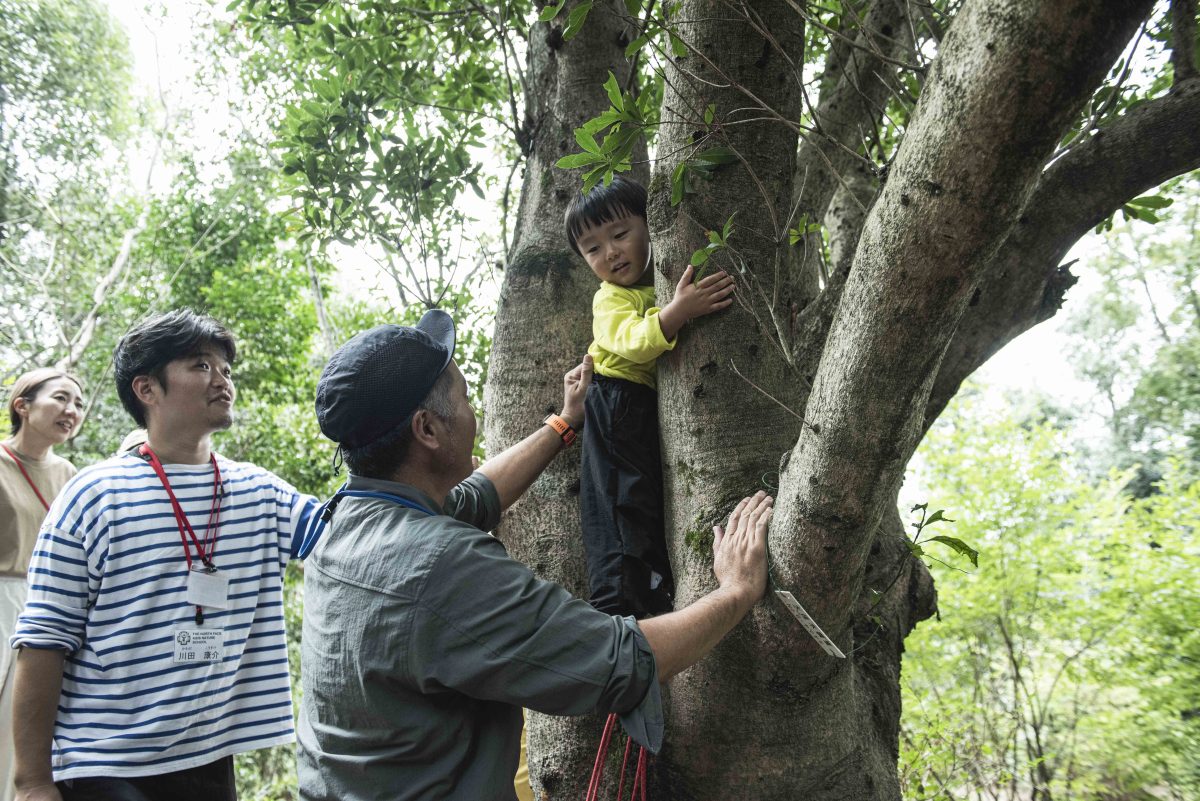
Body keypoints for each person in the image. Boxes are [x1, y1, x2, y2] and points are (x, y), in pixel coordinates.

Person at [295, 309, 772, 801]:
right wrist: (736, 591)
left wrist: (565, 424)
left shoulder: (344, 520)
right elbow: (619, 661)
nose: (471, 413)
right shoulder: (440, 566)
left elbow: (475, 496)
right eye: (462, 398)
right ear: (428, 431)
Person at [10, 310, 318, 801]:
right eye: (200, 366)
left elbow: (347, 538)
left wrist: (448, 493)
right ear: (147, 390)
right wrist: (31, 782)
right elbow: (44, 641)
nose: (222, 380)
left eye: (226, 369)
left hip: (210, 755)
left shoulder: (260, 492)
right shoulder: (94, 494)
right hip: (105, 760)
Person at [564, 175, 736, 618]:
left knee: (648, 499)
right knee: (623, 505)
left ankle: (653, 587)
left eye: (620, 234)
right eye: (593, 248)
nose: (611, 253)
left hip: (641, 407)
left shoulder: (650, 285)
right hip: (617, 403)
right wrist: (679, 312)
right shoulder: (610, 299)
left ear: (651, 226)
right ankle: (622, 604)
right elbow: (634, 342)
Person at [1, 370, 84, 801]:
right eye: (61, 398)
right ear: (23, 406)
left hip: (47, 607)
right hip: (1, 602)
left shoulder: (69, 474)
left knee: (30, 732)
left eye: (79, 403)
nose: (72, 411)